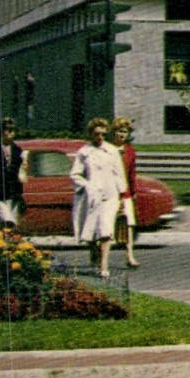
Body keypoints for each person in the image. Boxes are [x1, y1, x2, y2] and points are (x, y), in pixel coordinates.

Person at [69, 117, 127, 277]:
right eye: (96, 134)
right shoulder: (84, 152)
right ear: (90, 134)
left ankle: (104, 265)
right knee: (93, 231)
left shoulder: (112, 151)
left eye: (103, 134)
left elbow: (119, 175)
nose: (100, 137)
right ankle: (94, 260)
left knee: (106, 229)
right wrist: (86, 185)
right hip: (92, 197)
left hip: (110, 195)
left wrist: (122, 196)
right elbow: (74, 175)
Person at [109, 117, 140, 268]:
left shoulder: (129, 151)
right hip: (110, 192)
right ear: (113, 133)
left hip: (125, 193)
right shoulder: (108, 150)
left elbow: (131, 173)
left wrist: (133, 191)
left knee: (128, 224)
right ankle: (102, 258)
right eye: (119, 131)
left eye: (125, 132)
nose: (121, 135)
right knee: (108, 225)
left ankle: (129, 255)